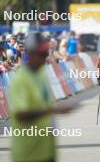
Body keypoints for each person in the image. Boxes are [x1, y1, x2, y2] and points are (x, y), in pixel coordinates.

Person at [9, 32, 76, 162]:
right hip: (28, 152)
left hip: (46, 148)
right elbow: (20, 115)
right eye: (42, 54)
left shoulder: (41, 73)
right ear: (31, 53)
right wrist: (54, 110)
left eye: (46, 54)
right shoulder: (21, 79)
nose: (45, 58)